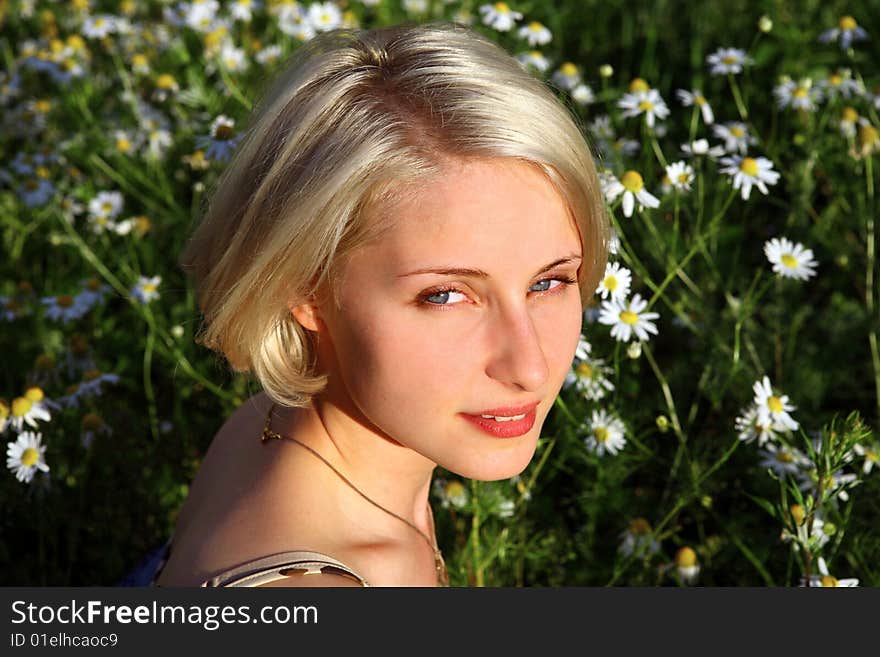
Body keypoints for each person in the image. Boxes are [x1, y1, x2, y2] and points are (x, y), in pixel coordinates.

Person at [149, 21, 609, 587]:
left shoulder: (269, 428)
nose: (530, 367)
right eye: (445, 295)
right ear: (302, 286)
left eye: (550, 282)